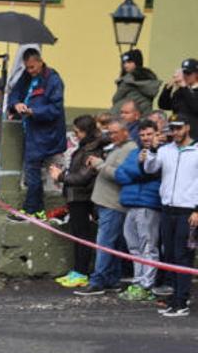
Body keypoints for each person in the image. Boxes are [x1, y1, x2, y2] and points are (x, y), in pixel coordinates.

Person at [75, 119, 137, 296]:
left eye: (114, 132)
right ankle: (111, 279)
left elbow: (121, 175)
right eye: (109, 133)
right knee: (113, 244)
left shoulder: (129, 149)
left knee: (104, 244)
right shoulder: (118, 147)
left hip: (113, 204)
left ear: (126, 131)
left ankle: (98, 281)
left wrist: (99, 164)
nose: (111, 136)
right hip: (106, 202)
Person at [143, 119, 197, 317]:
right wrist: (153, 150)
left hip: (188, 211)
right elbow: (150, 169)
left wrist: (197, 210)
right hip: (167, 208)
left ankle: (181, 302)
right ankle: (177, 295)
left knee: (183, 255)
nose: (175, 132)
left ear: (187, 128)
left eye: (179, 128)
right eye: (172, 129)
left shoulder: (196, 150)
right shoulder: (166, 150)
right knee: (171, 255)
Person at [8, 48, 67, 218]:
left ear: (40, 62)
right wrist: (16, 104)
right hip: (32, 132)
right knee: (32, 173)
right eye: (27, 68)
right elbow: (14, 94)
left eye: (32, 67)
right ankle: (37, 210)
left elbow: (55, 109)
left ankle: (30, 209)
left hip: (45, 135)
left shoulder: (53, 80)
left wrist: (34, 112)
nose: (30, 71)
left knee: (32, 173)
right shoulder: (27, 77)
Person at [48, 115, 106, 288]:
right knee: (78, 234)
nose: (75, 135)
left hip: (81, 197)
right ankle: (78, 270)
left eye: (77, 132)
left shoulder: (91, 150)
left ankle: (81, 272)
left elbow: (83, 177)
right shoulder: (86, 147)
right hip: (76, 196)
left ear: (86, 131)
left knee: (82, 236)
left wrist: (61, 176)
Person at [114, 120, 162, 301]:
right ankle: (137, 282)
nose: (146, 138)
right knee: (133, 247)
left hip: (149, 205)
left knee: (148, 247)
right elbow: (120, 174)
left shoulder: (162, 152)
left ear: (157, 133)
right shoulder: (134, 152)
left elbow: (150, 172)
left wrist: (139, 170)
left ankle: (146, 285)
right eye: (142, 135)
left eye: (149, 134)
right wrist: (139, 171)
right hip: (130, 205)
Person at [157, 58, 198, 139]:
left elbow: (196, 107)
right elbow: (164, 105)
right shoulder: (181, 91)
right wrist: (168, 88)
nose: (185, 76)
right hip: (177, 134)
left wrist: (184, 87)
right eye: (184, 73)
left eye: (188, 73)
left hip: (194, 136)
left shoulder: (185, 89)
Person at [111, 49, 160, 116]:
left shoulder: (128, 79)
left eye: (129, 62)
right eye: (124, 63)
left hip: (126, 116)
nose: (125, 65)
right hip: (145, 114)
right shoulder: (150, 78)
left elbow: (116, 99)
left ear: (137, 62)